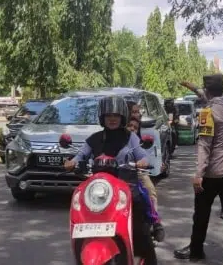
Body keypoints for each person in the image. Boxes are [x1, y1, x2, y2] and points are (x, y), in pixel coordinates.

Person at [64, 95, 157, 264]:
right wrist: (72, 162)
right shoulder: (95, 138)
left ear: (122, 117)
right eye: (108, 116)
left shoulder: (131, 138)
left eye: (116, 116)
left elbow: (143, 155)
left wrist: (143, 161)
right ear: (102, 118)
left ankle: (149, 258)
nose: (112, 119)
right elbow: (81, 154)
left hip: (126, 189)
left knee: (141, 230)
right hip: (99, 191)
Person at [174, 74, 223, 265]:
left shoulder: (207, 112)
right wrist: (194, 88)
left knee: (201, 215)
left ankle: (196, 251)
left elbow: (205, 145)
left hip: (211, 175)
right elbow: (210, 97)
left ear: (208, 91)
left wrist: (199, 174)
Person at [127, 116, 165, 242]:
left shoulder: (137, 142)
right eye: (130, 126)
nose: (132, 129)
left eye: (135, 127)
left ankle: (156, 223)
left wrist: (143, 162)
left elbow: (145, 156)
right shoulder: (112, 139)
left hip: (137, 172)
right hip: (116, 174)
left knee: (149, 192)